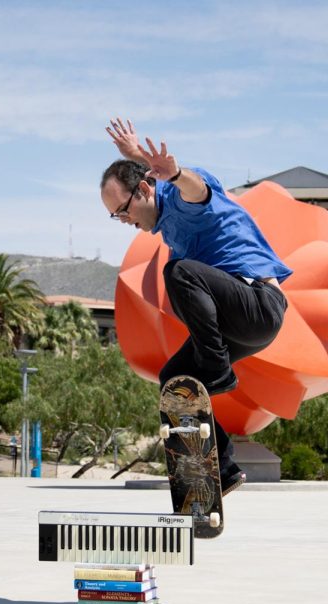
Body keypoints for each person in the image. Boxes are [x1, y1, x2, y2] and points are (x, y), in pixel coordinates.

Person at [100, 118, 291, 495]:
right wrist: (139, 156)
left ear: (143, 190)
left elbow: (196, 189)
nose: (124, 221)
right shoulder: (165, 223)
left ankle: (217, 369)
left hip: (259, 304)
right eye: (115, 216)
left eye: (123, 210)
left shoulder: (178, 199)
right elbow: (153, 178)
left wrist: (175, 173)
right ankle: (222, 468)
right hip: (239, 326)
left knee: (180, 272)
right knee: (176, 383)